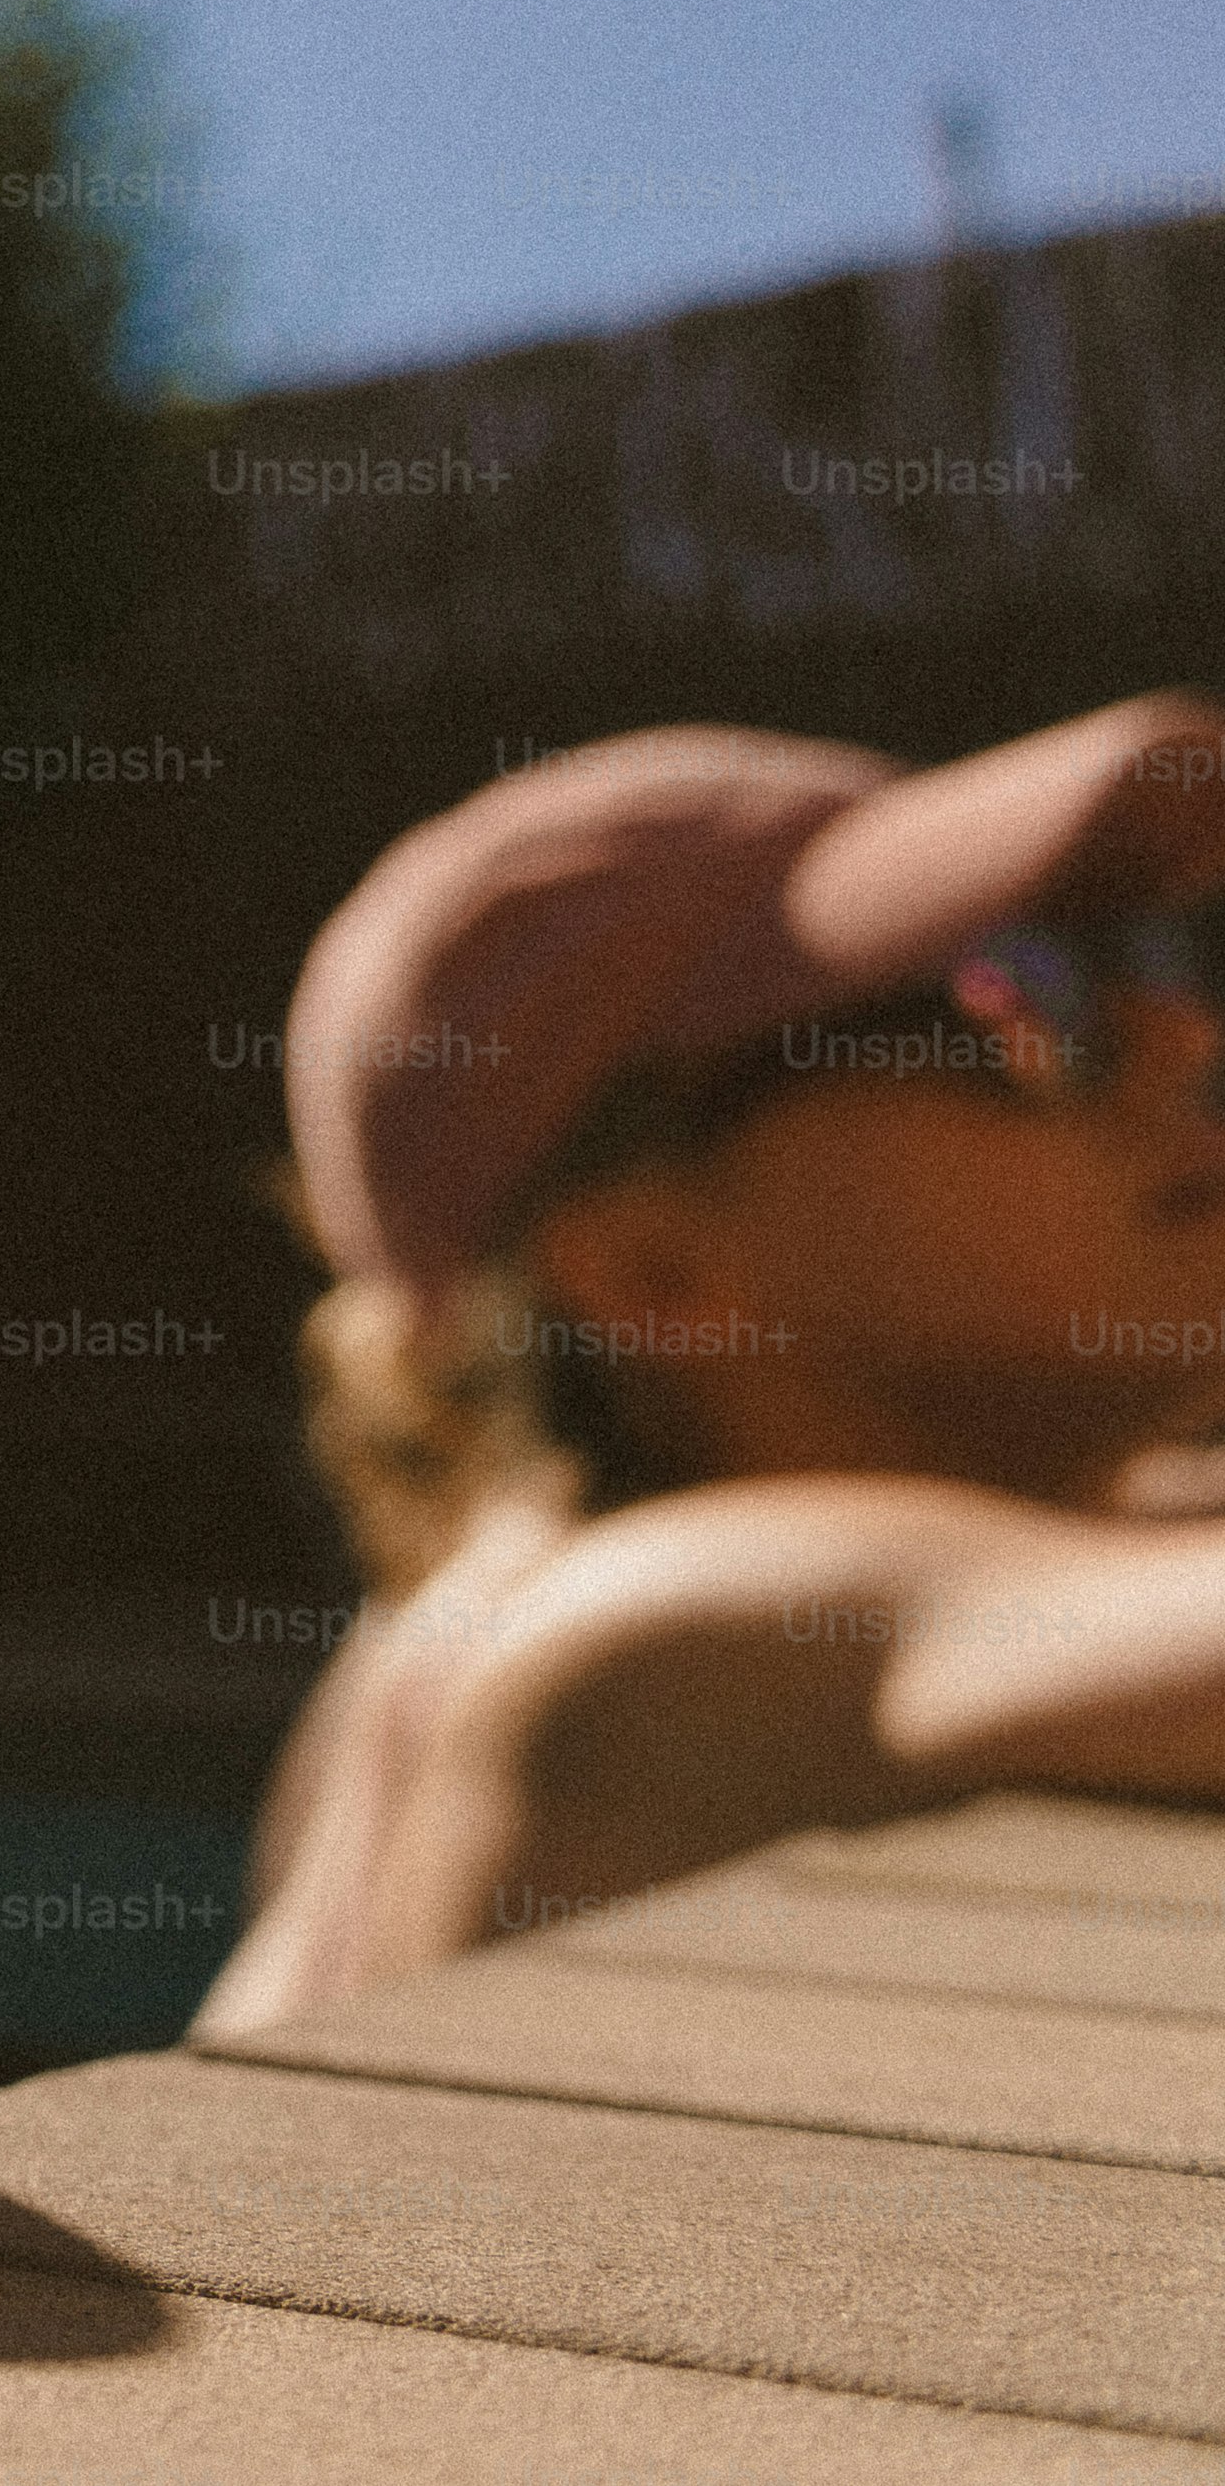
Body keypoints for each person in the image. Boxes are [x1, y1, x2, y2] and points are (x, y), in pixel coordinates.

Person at [197, 698, 1225, 2037]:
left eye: (1117, 958)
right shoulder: (657, 1627)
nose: (1179, 1038)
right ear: (652, 1268)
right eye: (1002, 995)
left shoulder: (430, 1625)